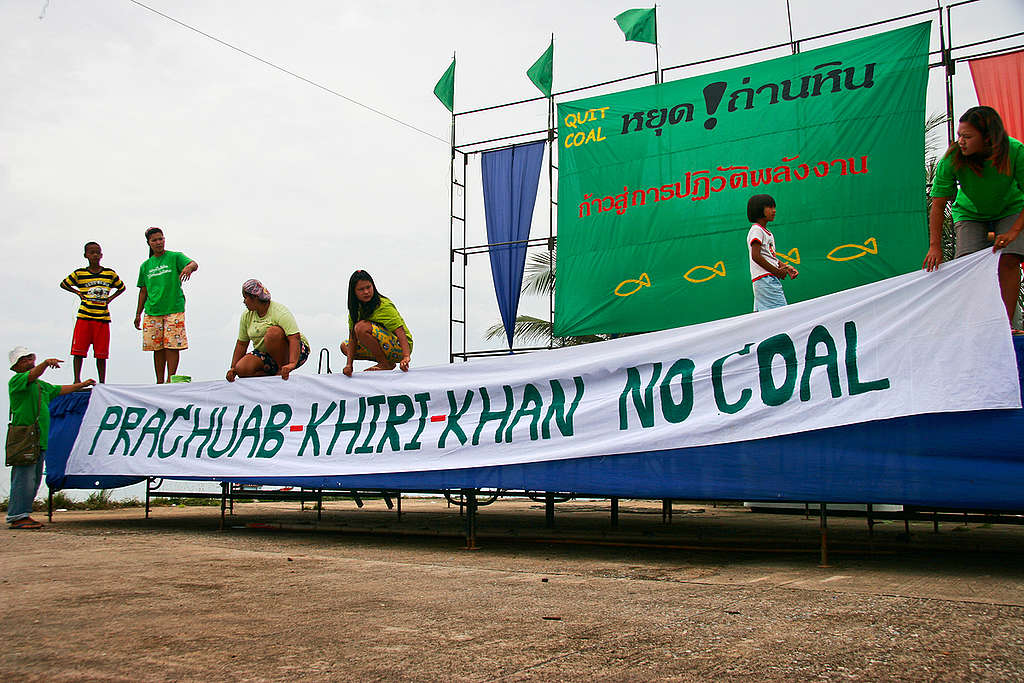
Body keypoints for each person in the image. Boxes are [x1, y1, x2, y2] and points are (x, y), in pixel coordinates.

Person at [924, 106, 1024, 328]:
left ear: (988, 138)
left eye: (967, 136)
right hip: (970, 213)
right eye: (959, 135)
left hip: (1011, 208)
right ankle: (976, 325)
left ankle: (1005, 326)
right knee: (970, 266)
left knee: (1009, 259)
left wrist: (1013, 232)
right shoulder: (952, 157)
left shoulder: (1015, 151)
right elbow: (938, 205)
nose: (961, 141)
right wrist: (935, 247)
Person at [6, 347, 94, 529]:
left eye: (31, 357)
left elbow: (59, 390)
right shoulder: (17, 381)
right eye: (25, 359)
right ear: (17, 366)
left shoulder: (39, 385)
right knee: (24, 478)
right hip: (26, 438)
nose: (30, 361)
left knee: (33, 478)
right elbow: (31, 376)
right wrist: (45, 364)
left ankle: (23, 513)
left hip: (38, 439)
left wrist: (81, 385)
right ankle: (17, 515)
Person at [134, 227, 198, 383]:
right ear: (149, 243)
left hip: (173, 308)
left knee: (172, 345)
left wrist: (189, 268)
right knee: (157, 347)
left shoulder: (175, 256)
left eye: (160, 239)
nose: (158, 242)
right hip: (153, 310)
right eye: (154, 240)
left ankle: (171, 378)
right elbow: (143, 291)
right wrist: (138, 313)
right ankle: (159, 380)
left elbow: (194, 263)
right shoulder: (145, 265)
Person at [59, 241, 126, 384]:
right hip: (84, 317)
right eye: (92, 252)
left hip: (102, 318)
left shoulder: (109, 273)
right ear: (86, 255)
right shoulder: (80, 273)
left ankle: (102, 382)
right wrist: (77, 292)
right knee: (79, 351)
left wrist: (110, 299)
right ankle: (77, 380)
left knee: (101, 353)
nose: (95, 255)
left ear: (101, 255)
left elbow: (121, 287)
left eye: (97, 252)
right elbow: (64, 283)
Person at [226, 279, 311, 382]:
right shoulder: (246, 316)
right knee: (242, 369)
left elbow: (294, 338)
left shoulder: (279, 311)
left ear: (254, 298)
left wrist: (291, 364)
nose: (244, 302)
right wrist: (233, 369)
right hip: (267, 354)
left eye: (245, 298)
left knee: (273, 333)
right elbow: (242, 344)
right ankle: (272, 378)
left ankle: (282, 370)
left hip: (296, 350)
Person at [340, 270, 413, 374]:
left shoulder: (383, 305)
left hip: (400, 347)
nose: (366, 292)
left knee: (361, 327)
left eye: (368, 287)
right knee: (345, 346)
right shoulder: (355, 310)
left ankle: (384, 364)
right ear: (354, 292)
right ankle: (386, 362)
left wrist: (406, 357)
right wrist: (349, 365)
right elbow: (353, 337)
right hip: (383, 348)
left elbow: (400, 331)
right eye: (361, 289)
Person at [747, 194, 798, 312]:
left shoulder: (766, 232)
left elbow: (769, 256)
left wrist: (785, 267)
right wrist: (776, 272)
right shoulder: (757, 230)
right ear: (758, 210)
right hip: (766, 279)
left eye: (774, 207)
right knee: (781, 315)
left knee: (764, 318)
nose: (774, 211)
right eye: (769, 207)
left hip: (767, 279)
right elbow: (756, 256)